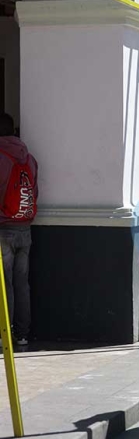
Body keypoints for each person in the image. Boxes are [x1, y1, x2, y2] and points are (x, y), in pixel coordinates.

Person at [0, 113, 38, 347]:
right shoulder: (29, 158)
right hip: (25, 226)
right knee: (22, 283)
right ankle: (22, 334)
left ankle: (6, 333)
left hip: (3, 228)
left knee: (5, 284)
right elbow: (34, 191)